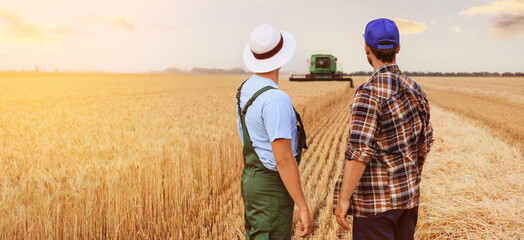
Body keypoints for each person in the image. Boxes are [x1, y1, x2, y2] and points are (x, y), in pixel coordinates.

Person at [333, 18, 434, 240]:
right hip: (408, 200)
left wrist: (343, 199)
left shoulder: (369, 94)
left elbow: (359, 152)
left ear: (366, 48)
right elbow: (425, 143)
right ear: (398, 48)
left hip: (376, 206)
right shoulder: (416, 89)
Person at [237, 24, 313, 239]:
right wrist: (303, 207)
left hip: (251, 180)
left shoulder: (245, 88)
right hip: (271, 186)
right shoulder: (276, 99)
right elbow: (283, 159)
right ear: (282, 57)